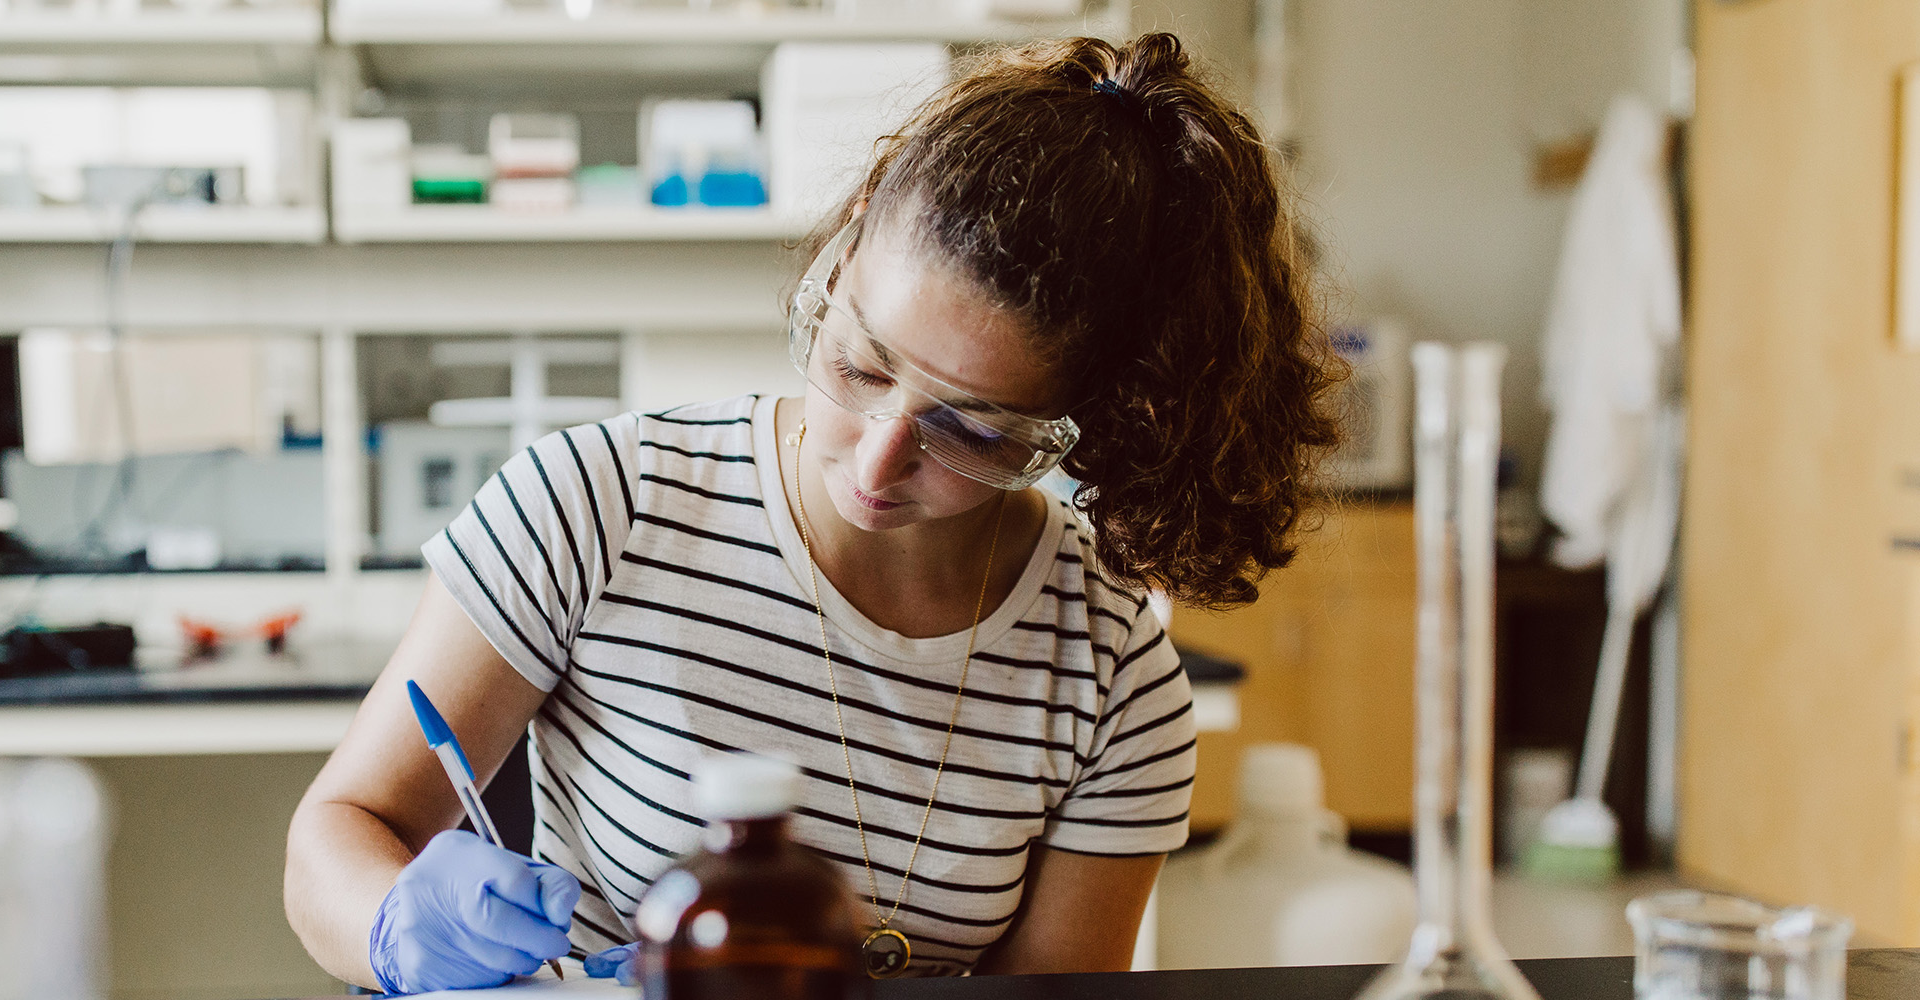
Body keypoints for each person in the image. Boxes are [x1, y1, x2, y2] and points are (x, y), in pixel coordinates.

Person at [284, 31, 1340, 993]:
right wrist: (389, 921)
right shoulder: (595, 504)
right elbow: (341, 829)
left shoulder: (1112, 675)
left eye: (970, 430)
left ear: (1078, 424)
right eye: (858, 362)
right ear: (838, 260)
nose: (878, 458)